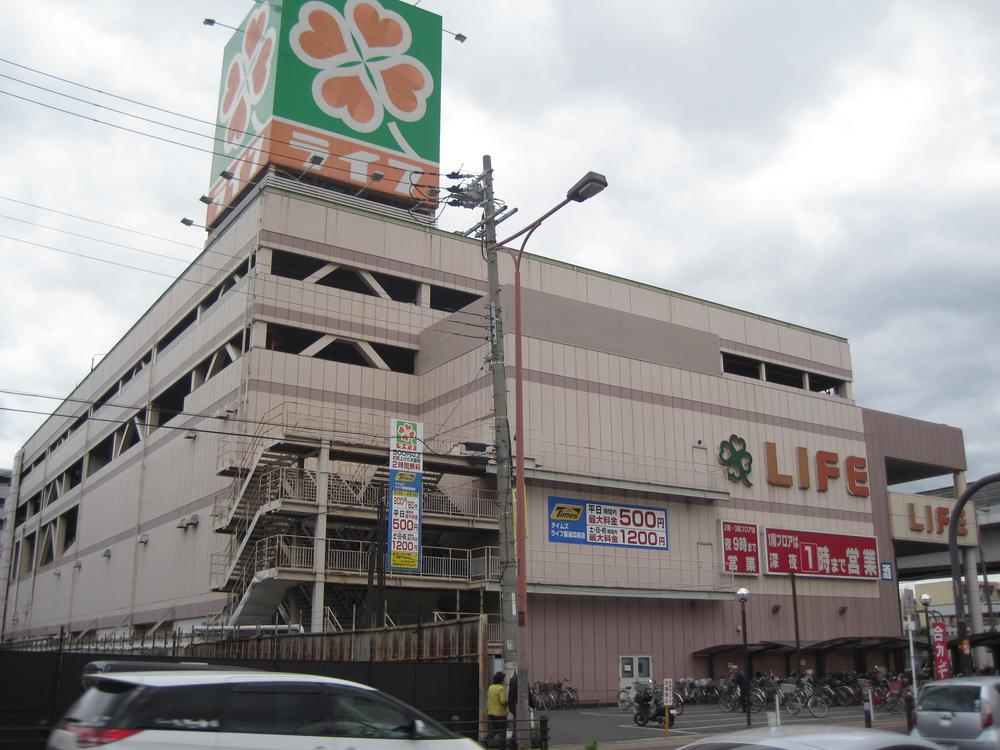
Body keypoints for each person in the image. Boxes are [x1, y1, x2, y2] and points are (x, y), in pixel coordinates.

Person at [485, 671, 509, 749]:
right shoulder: (501, 689)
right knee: (502, 732)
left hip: (491, 713)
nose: (504, 680)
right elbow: (503, 701)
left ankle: (486, 739)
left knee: (493, 730)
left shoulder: (490, 687)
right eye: (503, 679)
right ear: (501, 679)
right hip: (500, 714)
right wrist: (507, 702)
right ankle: (502, 748)